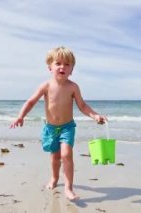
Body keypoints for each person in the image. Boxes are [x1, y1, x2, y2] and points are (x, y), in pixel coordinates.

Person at [10, 46, 106, 200]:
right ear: (50, 67)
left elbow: (82, 106)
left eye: (67, 64)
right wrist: (21, 116)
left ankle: (68, 188)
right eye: (58, 63)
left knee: (66, 155)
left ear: (72, 70)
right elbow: (31, 101)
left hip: (67, 127)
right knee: (55, 157)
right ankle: (54, 178)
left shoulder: (73, 87)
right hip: (51, 128)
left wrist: (95, 116)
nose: (63, 67)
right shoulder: (46, 86)